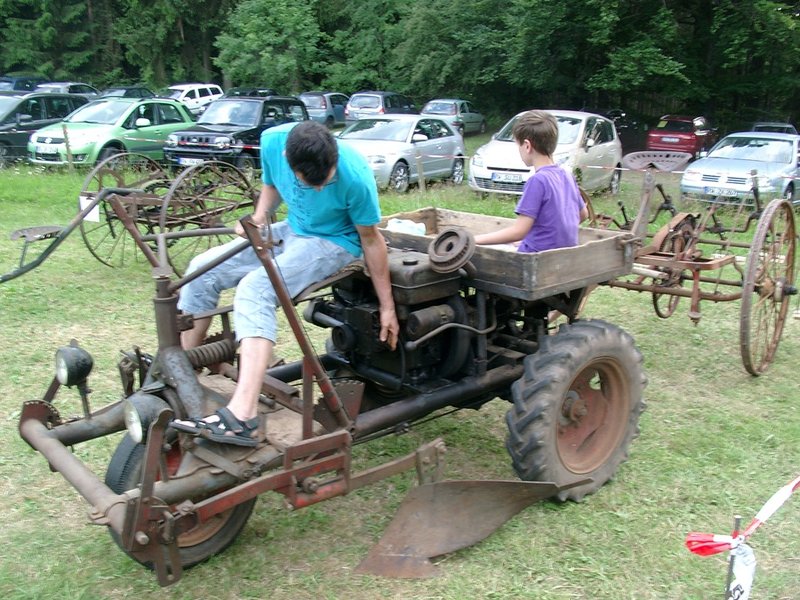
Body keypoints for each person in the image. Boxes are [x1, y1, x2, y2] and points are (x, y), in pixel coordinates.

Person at [172, 120, 399, 446]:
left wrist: (388, 307)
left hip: (335, 242)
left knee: (256, 288)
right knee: (202, 268)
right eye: (311, 185)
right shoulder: (272, 143)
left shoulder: (356, 176)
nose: (320, 188)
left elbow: (371, 240)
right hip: (293, 231)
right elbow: (272, 186)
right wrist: (261, 216)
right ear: (287, 159)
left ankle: (243, 415)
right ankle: (183, 372)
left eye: (327, 180)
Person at [474, 110, 588, 251]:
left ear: (527, 146)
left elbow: (518, 231)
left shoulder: (538, 180)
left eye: (518, 146)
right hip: (564, 255)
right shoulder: (567, 175)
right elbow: (583, 214)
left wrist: (473, 240)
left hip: (534, 256)